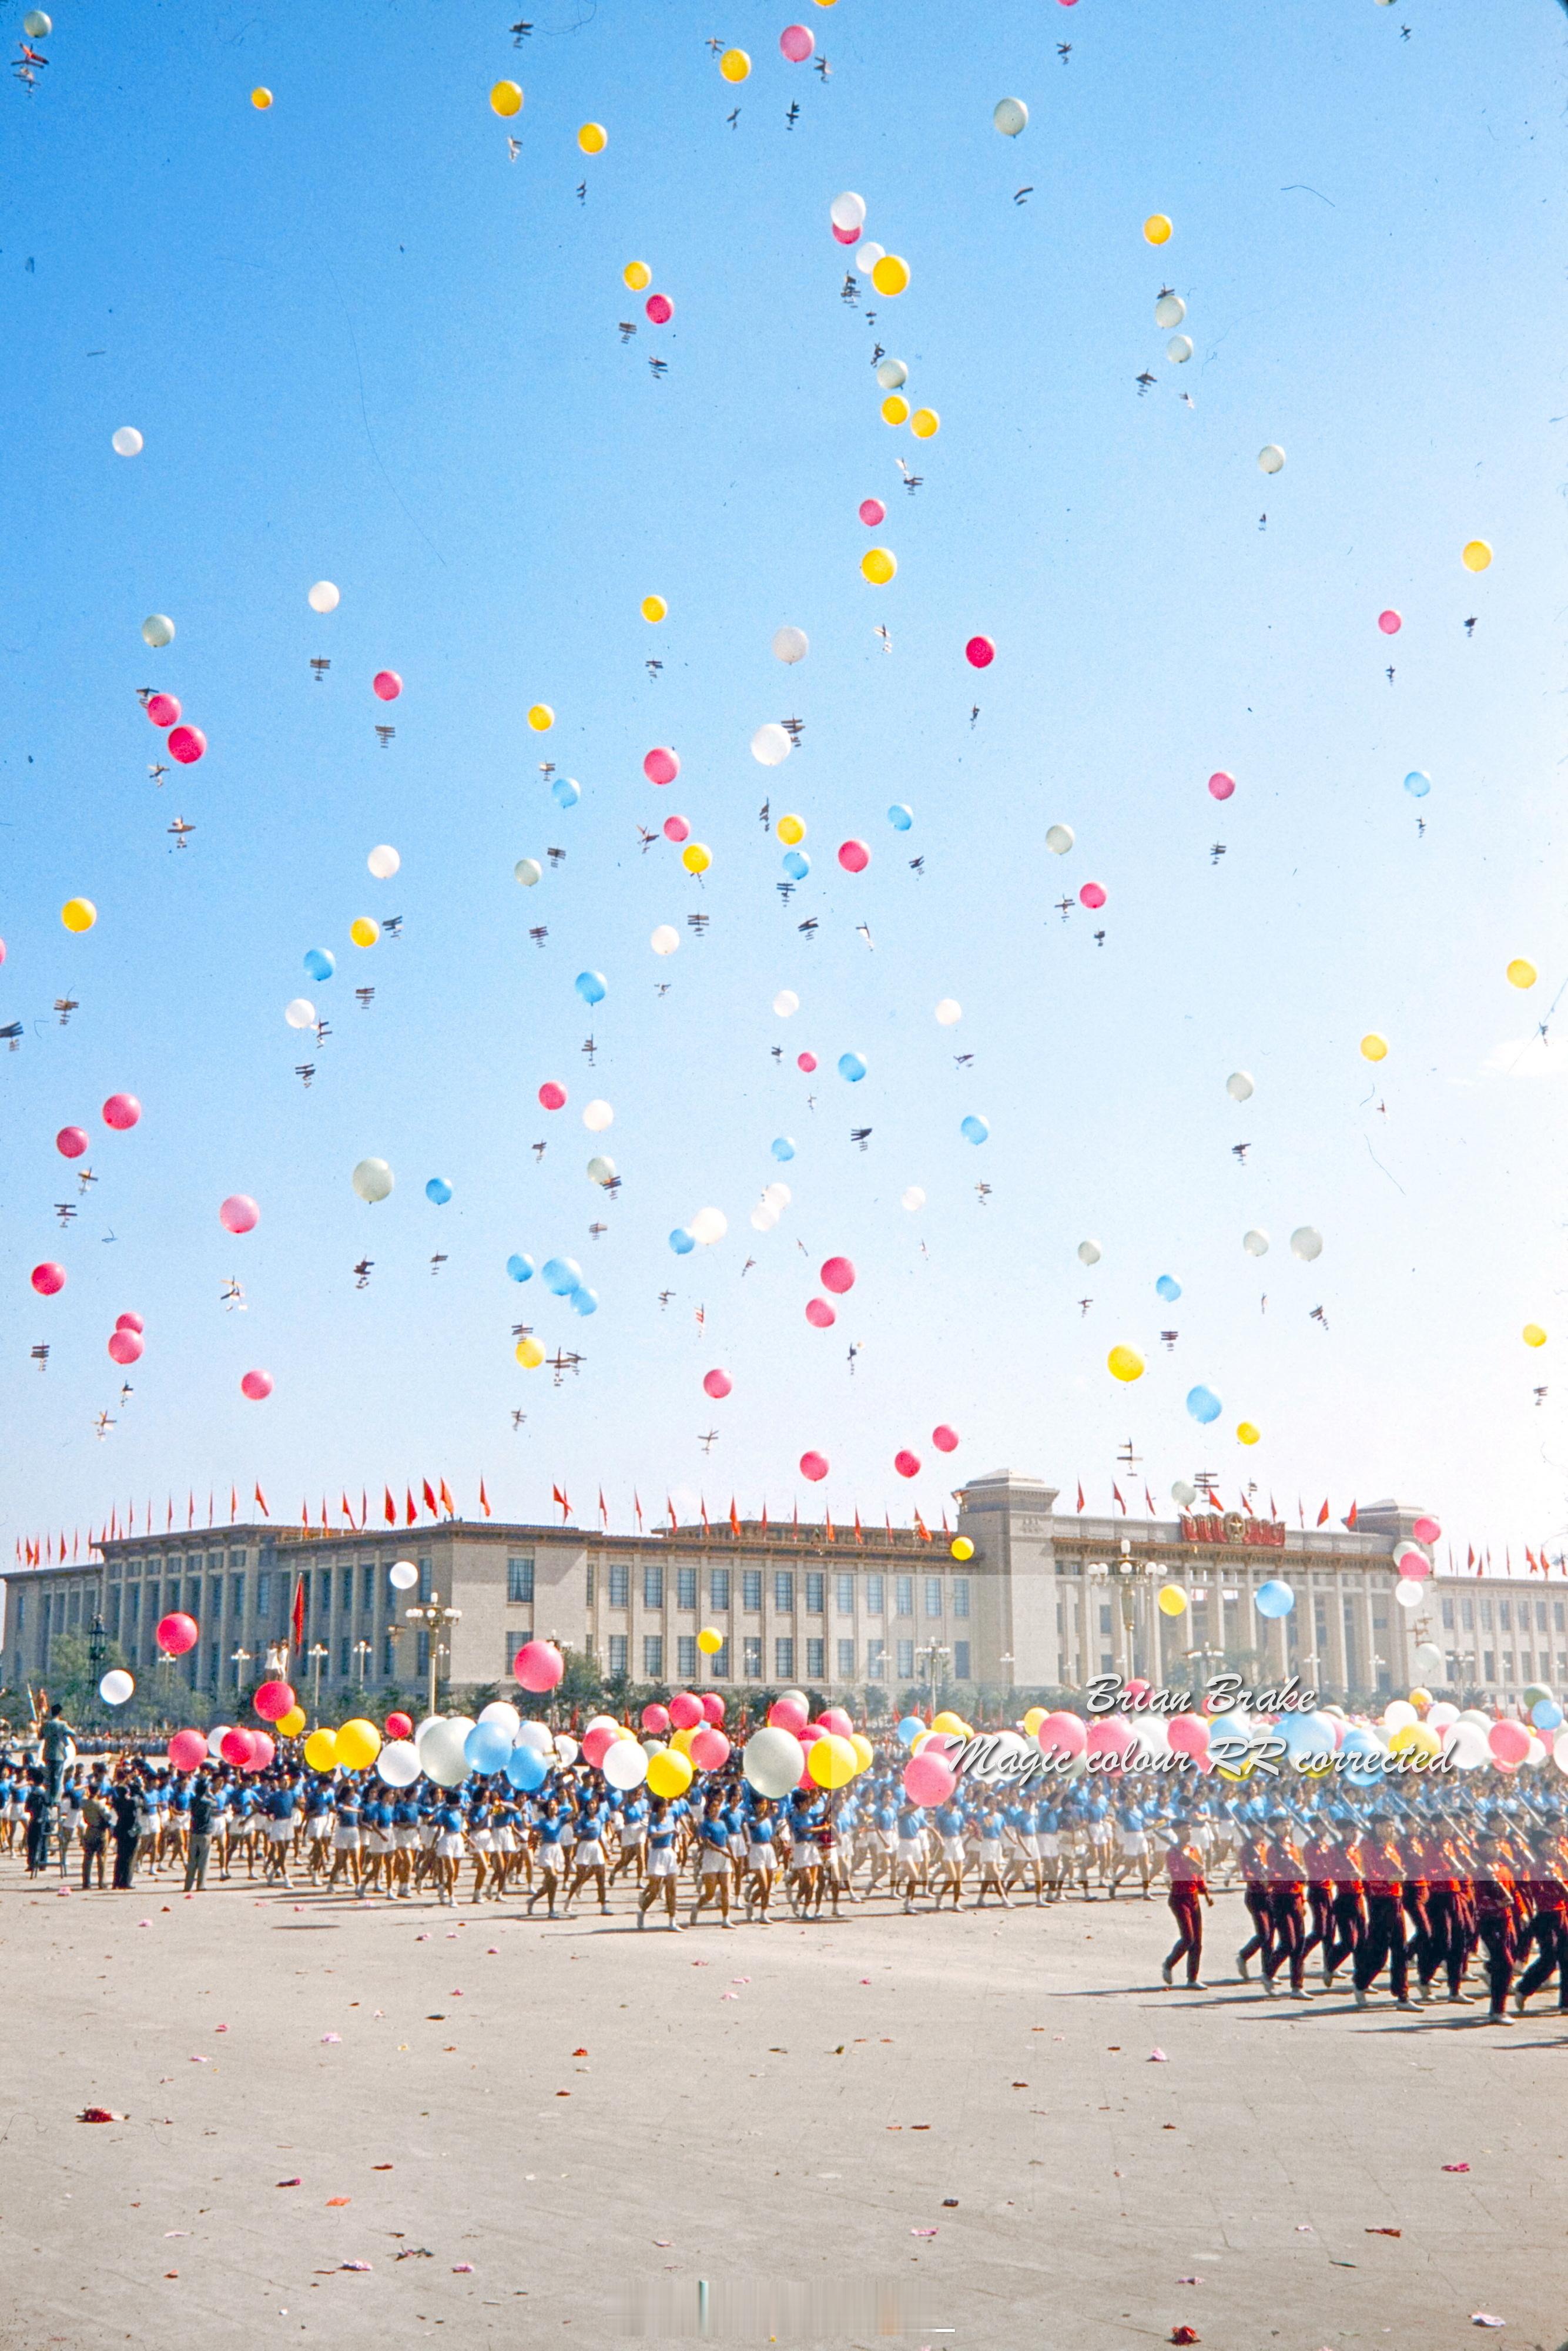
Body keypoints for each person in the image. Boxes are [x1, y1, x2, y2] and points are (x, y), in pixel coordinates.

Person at [1161, 1816, 1212, 1987]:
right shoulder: (1173, 1853)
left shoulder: (1192, 1851)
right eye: (1185, 1830)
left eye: (1190, 1829)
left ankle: (1193, 1978)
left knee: (1197, 1941)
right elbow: (1177, 1875)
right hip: (1179, 1898)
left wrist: (1205, 1891)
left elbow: (1198, 1876)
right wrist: (1189, 1865)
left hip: (1193, 1897)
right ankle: (1169, 1963)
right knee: (1188, 1937)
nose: (1188, 1832)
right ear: (1176, 1832)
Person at [185, 1775, 216, 1892]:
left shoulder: (193, 1800)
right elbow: (215, 1803)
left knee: (192, 1860)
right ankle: (201, 1884)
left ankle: (188, 1885)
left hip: (194, 1831)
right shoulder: (207, 1802)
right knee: (204, 1859)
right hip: (205, 1832)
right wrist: (209, 1792)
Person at [39, 1704, 75, 1801]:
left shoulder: (46, 1724)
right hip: (59, 1754)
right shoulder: (62, 1724)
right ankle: (54, 1799)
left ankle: (48, 1796)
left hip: (47, 1754)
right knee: (57, 1778)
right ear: (60, 1713)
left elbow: (40, 1737)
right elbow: (73, 1733)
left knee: (49, 1776)